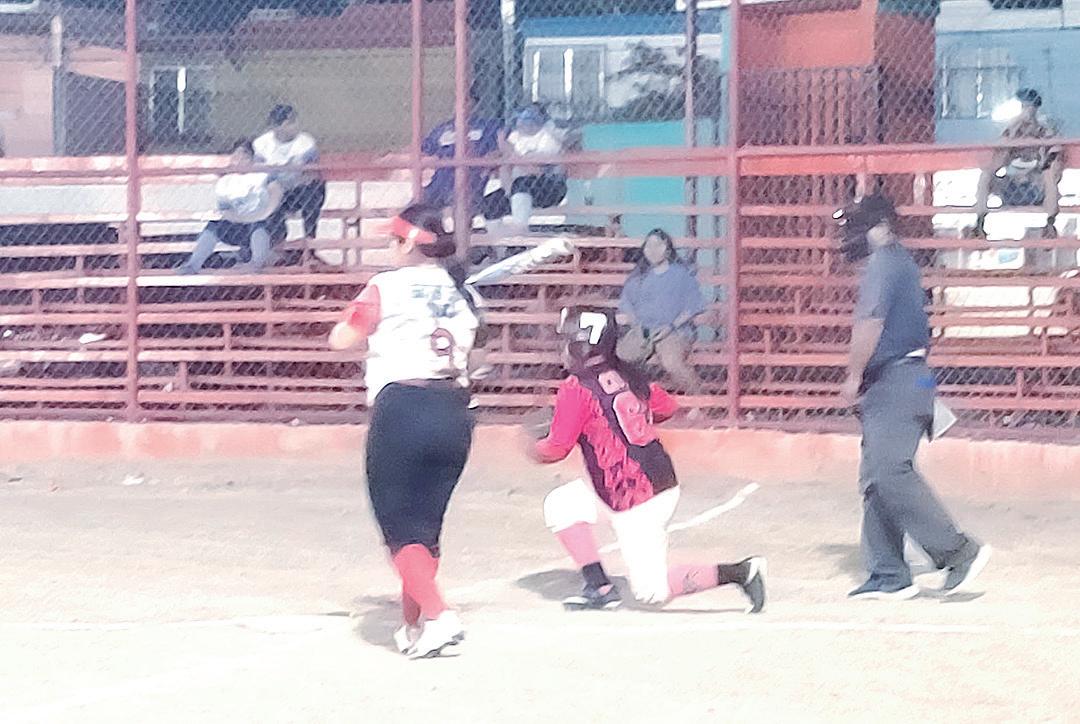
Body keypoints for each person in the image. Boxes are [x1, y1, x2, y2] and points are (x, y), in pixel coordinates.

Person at [527, 307, 766, 612]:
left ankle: (742, 572)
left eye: (569, 341)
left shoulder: (577, 387)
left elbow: (557, 448)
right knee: (562, 504)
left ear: (583, 345)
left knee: (652, 592)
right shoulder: (628, 373)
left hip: (635, 497)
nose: (563, 348)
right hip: (648, 481)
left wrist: (533, 449)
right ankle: (600, 587)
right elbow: (667, 407)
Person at [328, 204, 482, 659]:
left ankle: (439, 616)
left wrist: (354, 320)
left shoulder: (386, 285)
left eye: (395, 240)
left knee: (398, 528)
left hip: (403, 407)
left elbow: (342, 338)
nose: (390, 247)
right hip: (454, 410)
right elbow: (478, 353)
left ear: (411, 243)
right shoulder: (464, 292)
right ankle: (415, 625)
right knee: (425, 530)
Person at [837, 194, 991, 600]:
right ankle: (888, 573)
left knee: (889, 470)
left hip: (899, 379)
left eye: (859, 225)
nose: (852, 234)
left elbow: (871, 322)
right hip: (908, 379)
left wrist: (853, 377)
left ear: (882, 225)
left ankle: (957, 551)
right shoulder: (895, 261)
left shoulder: (885, 262)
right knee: (876, 476)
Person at [616, 229, 706, 393]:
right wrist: (637, 326)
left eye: (658, 245)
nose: (653, 250)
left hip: (674, 331)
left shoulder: (681, 275)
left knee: (672, 362)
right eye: (649, 245)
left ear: (668, 249)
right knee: (618, 358)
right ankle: (631, 397)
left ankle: (701, 399)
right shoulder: (638, 277)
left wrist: (671, 326)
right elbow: (627, 305)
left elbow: (693, 306)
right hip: (643, 331)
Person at [178, 138, 284, 275]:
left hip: (263, 221)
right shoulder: (226, 181)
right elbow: (225, 210)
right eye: (236, 156)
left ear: (251, 158)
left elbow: (276, 192)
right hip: (239, 223)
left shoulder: (262, 174)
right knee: (214, 226)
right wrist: (241, 218)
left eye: (244, 156)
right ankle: (193, 265)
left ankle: (256, 264)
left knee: (260, 224)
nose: (239, 160)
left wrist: (264, 213)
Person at [973, 88, 1063, 239]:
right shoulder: (1010, 131)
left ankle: (1049, 225)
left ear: (1035, 109)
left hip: (1035, 187)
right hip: (1012, 185)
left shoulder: (1045, 132)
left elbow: (1055, 160)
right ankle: (979, 224)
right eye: (1023, 107)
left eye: (1029, 107)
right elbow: (996, 163)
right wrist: (1013, 133)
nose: (1026, 111)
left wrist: (1042, 162)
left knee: (1049, 176)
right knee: (985, 176)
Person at [483, 104, 568, 233]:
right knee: (492, 201)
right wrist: (508, 190)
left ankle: (520, 230)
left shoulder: (548, 139)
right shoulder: (515, 137)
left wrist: (510, 153)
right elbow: (505, 165)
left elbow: (537, 172)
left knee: (521, 183)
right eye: (521, 120)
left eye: (527, 120)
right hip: (518, 190)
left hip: (550, 188)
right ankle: (498, 240)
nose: (522, 124)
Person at [419, 89, 503, 217]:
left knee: (459, 204)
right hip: (440, 179)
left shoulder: (487, 126)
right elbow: (425, 151)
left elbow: (498, 151)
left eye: (466, 101)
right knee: (415, 206)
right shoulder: (443, 128)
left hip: (471, 177)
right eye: (458, 101)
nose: (461, 105)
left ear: (474, 104)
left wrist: (483, 164)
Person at [254, 104, 325, 241]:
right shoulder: (262, 144)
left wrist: (280, 174)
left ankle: (309, 239)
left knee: (315, 188)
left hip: (298, 191)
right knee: (268, 191)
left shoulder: (306, 142)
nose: (295, 126)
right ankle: (278, 241)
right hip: (273, 192)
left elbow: (312, 174)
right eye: (289, 123)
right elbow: (259, 174)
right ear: (276, 127)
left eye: (295, 121)